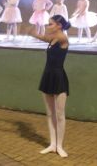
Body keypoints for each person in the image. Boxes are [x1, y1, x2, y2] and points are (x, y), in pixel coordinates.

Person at [30, 15, 70, 158]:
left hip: (58, 78)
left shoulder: (62, 38)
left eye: (51, 24)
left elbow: (49, 35)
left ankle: (59, 146)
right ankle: (52, 144)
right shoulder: (54, 38)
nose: (48, 26)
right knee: (50, 114)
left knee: (59, 114)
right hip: (47, 77)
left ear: (59, 25)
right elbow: (46, 38)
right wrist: (35, 35)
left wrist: (38, 33)